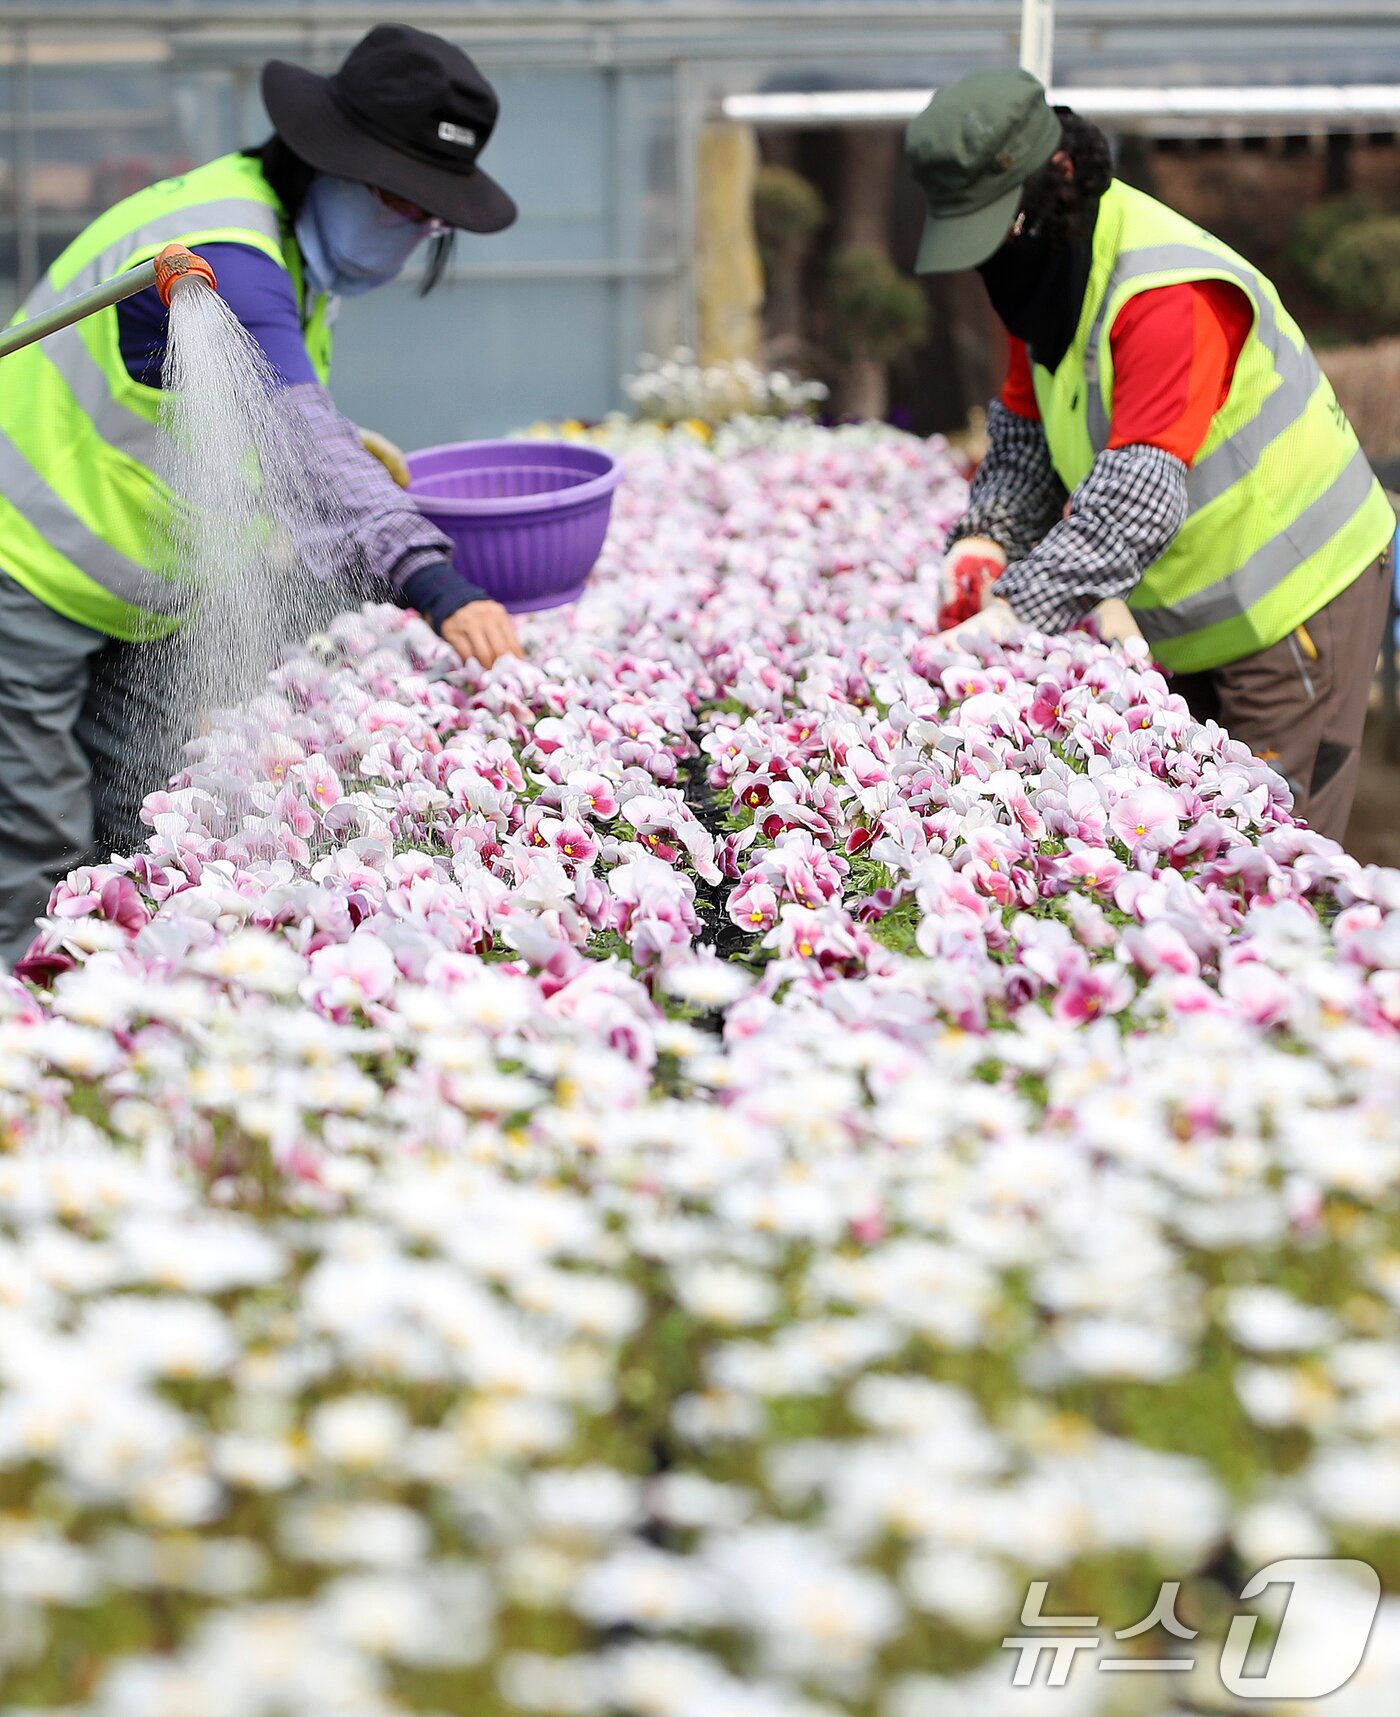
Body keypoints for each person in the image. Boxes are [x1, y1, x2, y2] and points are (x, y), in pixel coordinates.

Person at [0, 24, 524, 967]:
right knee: (31, 841)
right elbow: (303, 442)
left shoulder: (283, 251)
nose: (411, 232)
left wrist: (340, 452)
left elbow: (245, 411)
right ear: (333, 163)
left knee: (145, 824)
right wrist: (436, 583)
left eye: (428, 218)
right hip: (25, 565)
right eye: (401, 202)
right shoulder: (228, 248)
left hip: (143, 596)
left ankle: (118, 1031)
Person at [909, 67, 1395, 844]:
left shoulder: (1163, 293)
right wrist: (986, 537)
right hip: (1202, 615)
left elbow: (1133, 508)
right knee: (1193, 848)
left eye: (999, 224)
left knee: (1267, 860)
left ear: (1057, 175)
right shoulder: (1041, 283)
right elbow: (1026, 438)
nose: (990, 258)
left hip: (1296, 606)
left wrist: (1010, 613)